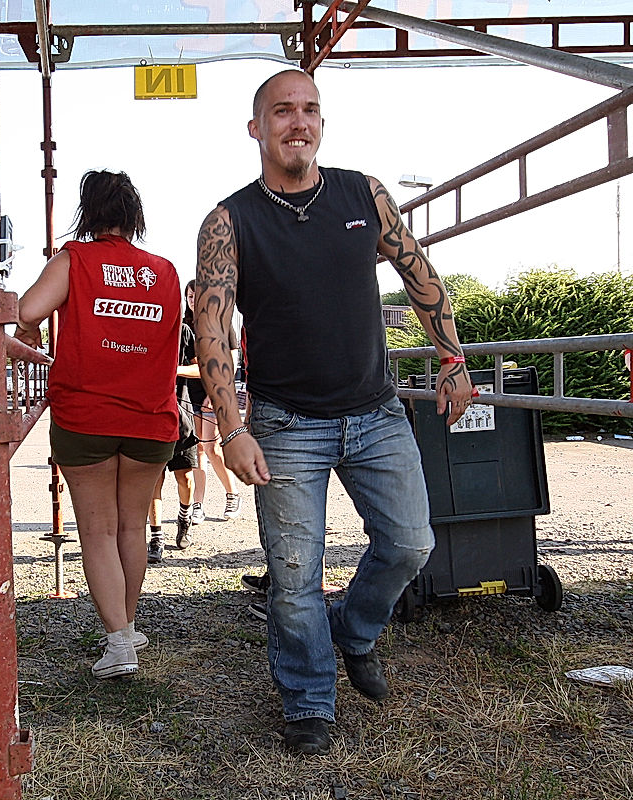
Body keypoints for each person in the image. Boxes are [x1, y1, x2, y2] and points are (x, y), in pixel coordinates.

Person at [194, 69, 474, 756]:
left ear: (322, 123)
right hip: (286, 424)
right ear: (256, 128)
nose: (299, 121)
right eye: (282, 111)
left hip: (376, 412)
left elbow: (418, 272)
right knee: (294, 577)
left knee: (410, 544)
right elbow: (212, 326)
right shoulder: (229, 221)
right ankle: (309, 701)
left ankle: (352, 630)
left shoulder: (362, 193)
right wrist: (231, 428)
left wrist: (453, 357)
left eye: (310, 109)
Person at [15, 170, 181, 679]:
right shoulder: (164, 271)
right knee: (132, 526)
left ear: (89, 213)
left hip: (86, 415)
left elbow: (28, 309)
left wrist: (30, 330)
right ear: (134, 216)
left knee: (97, 529)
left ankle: (119, 642)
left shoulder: (74, 259)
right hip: (151, 416)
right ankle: (125, 629)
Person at [181, 279, 242, 526]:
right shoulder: (184, 326)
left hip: (214, 394)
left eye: (197, 295)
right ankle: (198, 504)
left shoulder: (221, 322)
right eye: (189, 296)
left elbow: (232, 361)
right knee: (196, 450)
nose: (193, 300)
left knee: (212, 448)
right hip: (189, 393)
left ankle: (233, 494)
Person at [147, 320, 202, 563]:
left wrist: (174, 370)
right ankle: (156, 537)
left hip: (181, 415)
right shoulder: (142, 328)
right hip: (150, 415)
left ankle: (184, 517)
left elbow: (200, 368)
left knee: (185, 478)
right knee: (153, 479)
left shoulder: (183, 331)